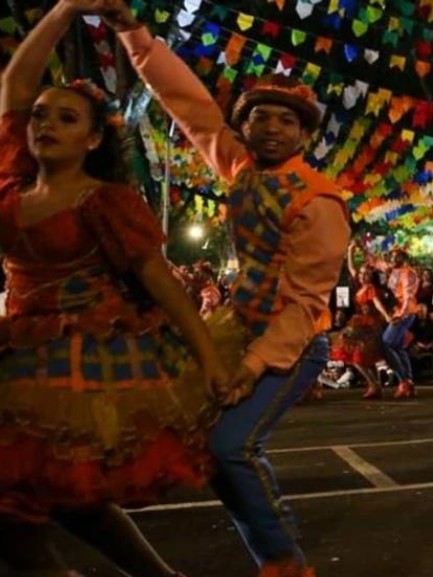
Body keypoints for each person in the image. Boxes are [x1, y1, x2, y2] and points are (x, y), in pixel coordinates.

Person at [104, 2, 350, 576]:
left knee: (231, 448)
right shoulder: (240, 169)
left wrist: (254, 363)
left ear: (305, 135)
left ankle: (287, 565)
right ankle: (272, 560)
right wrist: (132, 32)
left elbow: (306, 301)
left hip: (292, 343)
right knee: (209, 451)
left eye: (286, 121)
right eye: (260, 116)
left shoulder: (319, 200)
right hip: (238, 328)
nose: (271, 127)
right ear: (244, 125)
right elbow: (187, 104)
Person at [0, 1, 232, 576]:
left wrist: (210, 361)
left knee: (21, 501)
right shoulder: (12, 183)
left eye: (66, 118)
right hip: (18, 355)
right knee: (56, 499)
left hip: (81, 361)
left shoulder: (106, 201)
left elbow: (163, 284)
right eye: (41, 117)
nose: (45, 124)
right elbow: (15, 84)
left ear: (94, 140)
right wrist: (66, 9)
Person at [329, 241, 389, 399]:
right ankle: (375, 385)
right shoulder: (360, 285)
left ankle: (374, 384)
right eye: (362, 273)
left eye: (366, 273)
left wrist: (387, 316)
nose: (362, 275)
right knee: (360, 357)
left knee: (358, 356)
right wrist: (350, 250)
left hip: (369, 324)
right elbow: (351, 268)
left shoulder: (370, 288)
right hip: (361, 323)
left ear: (371, 276)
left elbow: (377, 303)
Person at [362, 245, 420, 398]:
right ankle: (409, 383)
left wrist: (401, 314)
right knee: (398, 347)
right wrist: (360, 247)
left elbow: (408, 296)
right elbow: (375, 261)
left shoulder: (408, 273)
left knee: (386, 343)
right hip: (399, 312)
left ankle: (403, 382)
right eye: (392, 257)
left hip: (405, 313)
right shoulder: (391, 270)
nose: (393, 259)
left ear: (403, 258)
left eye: (396, 257)